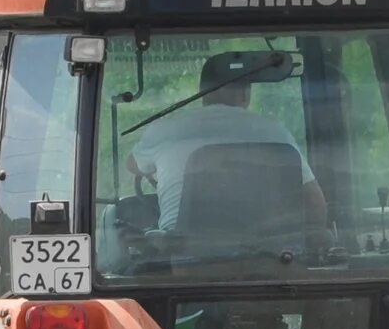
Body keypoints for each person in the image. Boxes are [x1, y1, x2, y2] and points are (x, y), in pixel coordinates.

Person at [121, 48, 328, 236]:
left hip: (185, 262)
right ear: (246, 93)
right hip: (271, 261)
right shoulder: (275, 132)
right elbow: (316, 208)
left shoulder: (165, 130)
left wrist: (158, 172)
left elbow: (132, 164)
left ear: (202, 93)